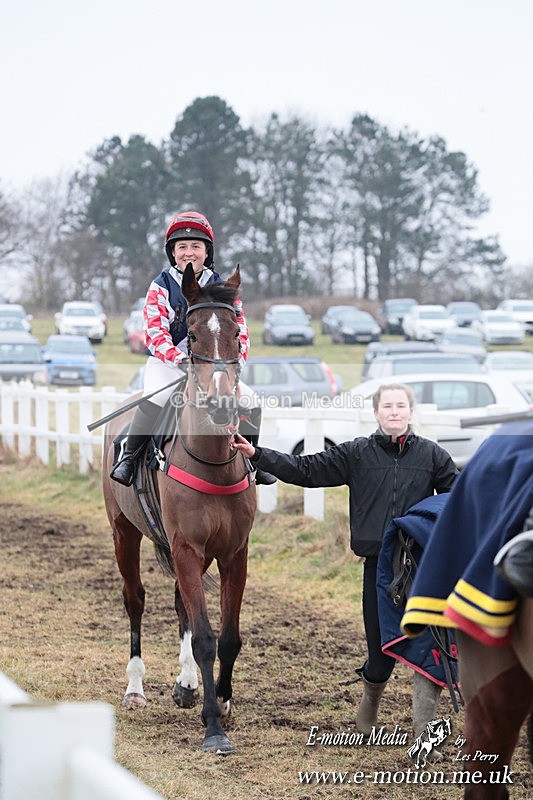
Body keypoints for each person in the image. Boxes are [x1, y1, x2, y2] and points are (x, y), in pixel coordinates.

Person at [231, 383, 458, 733]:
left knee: (429, 647)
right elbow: (305, 469)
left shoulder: (432, 456)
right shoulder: (356, 454)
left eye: (401, 406)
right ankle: (370, 702)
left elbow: (458, 498)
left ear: (411, 413)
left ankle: (422, 733)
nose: (394, 412)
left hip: (422, 567)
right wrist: (258, 455)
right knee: (381, 656)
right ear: (376, 413)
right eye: (388, 406)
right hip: (379, 570)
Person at [111, 209, 275, 487]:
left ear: (206, 251)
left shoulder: (223, 285)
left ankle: (252, 462)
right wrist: (179, 360)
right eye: (182, 247)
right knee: (155, 398)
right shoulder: (160, 287)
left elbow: (240, 330)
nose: (189, 252)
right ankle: (128, 458)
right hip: (168, 363)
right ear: (173, 252)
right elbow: (154, 332)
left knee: (251, 402)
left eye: (196, 246)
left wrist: (235, 364)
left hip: (215, 366)